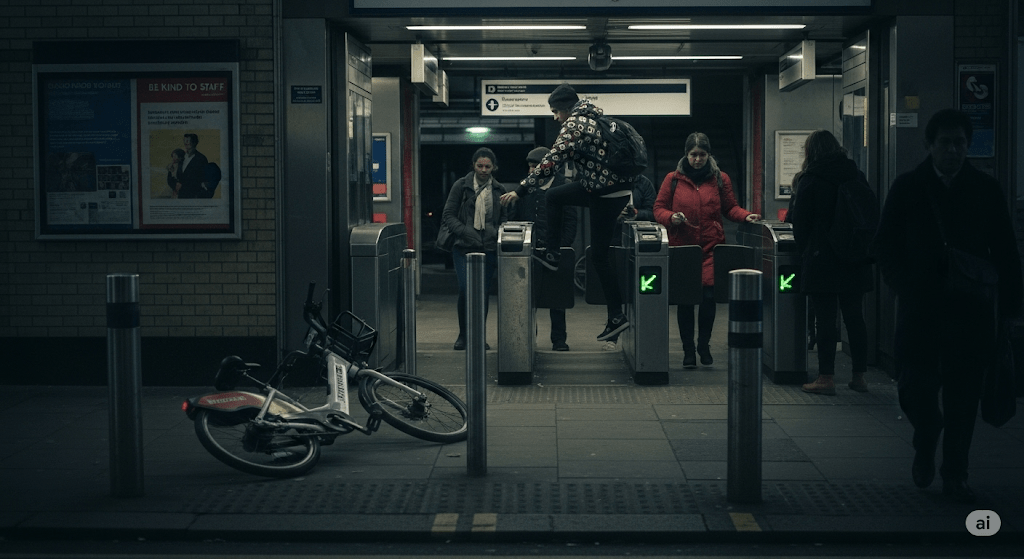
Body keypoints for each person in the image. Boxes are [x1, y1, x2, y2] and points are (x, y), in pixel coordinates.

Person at [872, 109, 1022, 503]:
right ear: (930, 145)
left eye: (960, 143)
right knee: (914, 387)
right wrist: (902, 283)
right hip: (921, 307)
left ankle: (955, 472)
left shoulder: (985, 190)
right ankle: (926, 434)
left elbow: (1006, 251)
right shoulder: (909, 187)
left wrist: (1010, 310)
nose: (954, 151)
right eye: (946, 143)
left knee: (963, 396)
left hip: (969, 311)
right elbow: (885, 242)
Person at [499, 83, 633, 343]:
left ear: (566, 108)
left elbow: (551, 161)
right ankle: (617, 316)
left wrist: (522, 190)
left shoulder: (575, 124)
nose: (555, 117)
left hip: (600, 190)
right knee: (599, 256)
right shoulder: (600, 119)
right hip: (616, 192)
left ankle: (551, 253)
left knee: (552, 195)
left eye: (555, 111)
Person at [653, 132, 760, 368]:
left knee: (709, 298)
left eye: (702, 155)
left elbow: (730, 208)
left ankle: (704, 344)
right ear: (686, 155)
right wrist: (672, 218)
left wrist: (745, 216)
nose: (698, 159)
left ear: (709, 155)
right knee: (685, 300)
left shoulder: (720, 179)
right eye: (693, 155)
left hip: (712, 247)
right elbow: (658, 209)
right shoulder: (673, 179)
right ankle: (688, 350)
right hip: (684, 248)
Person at [791, 130, 872, 395]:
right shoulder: (856, 175)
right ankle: (859, 376)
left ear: (810, 151)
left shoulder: (810, 179)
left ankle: (826, 378)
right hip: (854, 257)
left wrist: (806, 251)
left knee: (825, 320)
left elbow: (799, 223)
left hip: (822, 258)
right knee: (854, 317)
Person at [442, 147, 509, 351]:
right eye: (480, 165)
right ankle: (463, 335)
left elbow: (504, 219)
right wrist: (465, 232)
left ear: (494, 168)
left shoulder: (499, 190)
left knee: (483, 292)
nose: (483, 170)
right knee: (465, 289)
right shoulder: (461, 186)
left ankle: (479, 335)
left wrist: (496, 232)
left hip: (487, 247)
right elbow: (448, 215)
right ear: (473, 165)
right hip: (463, 247)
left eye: (488, 166)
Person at [512, 147, 578, 351]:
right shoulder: (525, 188)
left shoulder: (563, 187)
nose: (531, 171)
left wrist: (561, 245)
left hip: (555, 249)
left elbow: (570, 221)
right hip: (529, 251)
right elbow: (515, 218)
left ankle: (559, 339)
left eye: (535, 166)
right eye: (530, 167)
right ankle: (529, 337)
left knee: (557, 298)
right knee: (527, 297)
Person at [601, 173, 657, 351]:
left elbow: (653, 211)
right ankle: (614, 333)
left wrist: (637, 214)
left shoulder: (644, 183)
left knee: (640, 289)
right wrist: (614, 215)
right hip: (614, 239)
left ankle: (643, 333)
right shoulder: (608, 181)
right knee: (615, 287)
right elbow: (599, 208)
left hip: (638, 240)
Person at [172, 133, 208, 199]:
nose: (186, 143)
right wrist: (175, 185)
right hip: (180, 196)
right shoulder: (180, 156)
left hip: (193, 196)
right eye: (185, 140)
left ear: (194, 142)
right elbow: (172, 174)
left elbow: (202, 179)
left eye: (188, 141)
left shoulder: (201, 159)